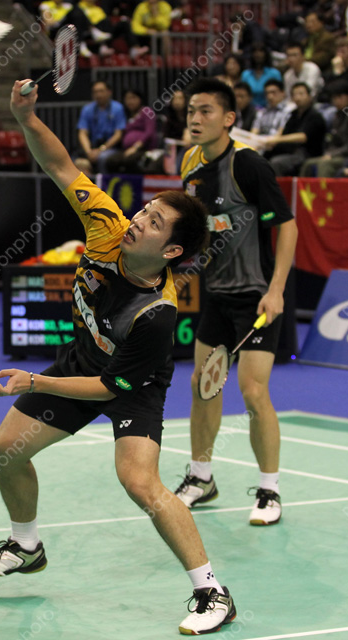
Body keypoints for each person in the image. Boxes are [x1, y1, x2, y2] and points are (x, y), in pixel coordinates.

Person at [0, 78, 237, 637]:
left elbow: (112, 390)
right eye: (146, 210)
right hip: (81, 359)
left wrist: (34, 381)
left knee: (139, 482)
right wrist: (26, 118)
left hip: (132, 385)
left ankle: (212, 591)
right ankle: (26, 546)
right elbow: (61, 165)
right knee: (5, 451)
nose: (139, 219)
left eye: (154, 223)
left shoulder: (156, 314)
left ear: (171, 251)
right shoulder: (107, 225)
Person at [174, 78, 298, 526]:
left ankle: (269, 490)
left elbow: (287, 226)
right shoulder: (190, 163)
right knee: (202, 385)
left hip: (258, 294)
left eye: (205, 111)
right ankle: (201, 477)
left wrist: (277, 289)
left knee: (253, 390)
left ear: (228, 119)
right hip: (218, 293)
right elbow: (198, 228)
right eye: (191, 110)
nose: (195, 118)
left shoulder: (248, 165)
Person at [264, 81, 327, 176]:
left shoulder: (315, 116)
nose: (297, 98)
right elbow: (284, 133)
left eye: (301, 94)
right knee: (263, 157)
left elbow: (303, 137)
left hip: (307, 154)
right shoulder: (293, 115)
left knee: (277, 162)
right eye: (294, 95)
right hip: (291, 151)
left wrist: (277, 139)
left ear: (309, 96)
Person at [76, 80, 126, 175]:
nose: (98, 95)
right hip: (92, 147)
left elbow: (118, 134)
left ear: (109, 92)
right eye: (95, 92)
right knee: (79, 162)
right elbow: (82, 133)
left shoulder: (118, 108)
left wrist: (101, 150)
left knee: (102, 158)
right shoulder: (87, 109)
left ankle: (103, 183)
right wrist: (88, 151)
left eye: (101, 91)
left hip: (111, 148)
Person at [299, 80, 348, 176]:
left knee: (324, 165)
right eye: (334, 98)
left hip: (344, 156)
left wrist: (332, 155)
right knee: (308, 164)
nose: (336, 101)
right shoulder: (336, 116)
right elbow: (330, 140)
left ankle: (323, 187)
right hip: (335, 154)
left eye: (339, 97)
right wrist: (328, 153)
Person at [105, 88, 158, 173]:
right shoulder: (126, 114)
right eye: (127, 98)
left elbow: (149, 133)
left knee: (129, 160)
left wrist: (135, 147)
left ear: (140, 99)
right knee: (111, 160)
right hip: (126, 150)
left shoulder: (147, 111)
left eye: (133, 98)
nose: (130, 101)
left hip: (143, 149)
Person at [241, 42, 282, 107]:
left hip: (270, 108)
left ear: (265, 54)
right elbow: (243, 94)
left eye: (261, 51)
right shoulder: (246, 74)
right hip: (250, 109)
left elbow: (280, 93)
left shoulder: (274, 73)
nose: (258, 54)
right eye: (255, 51)